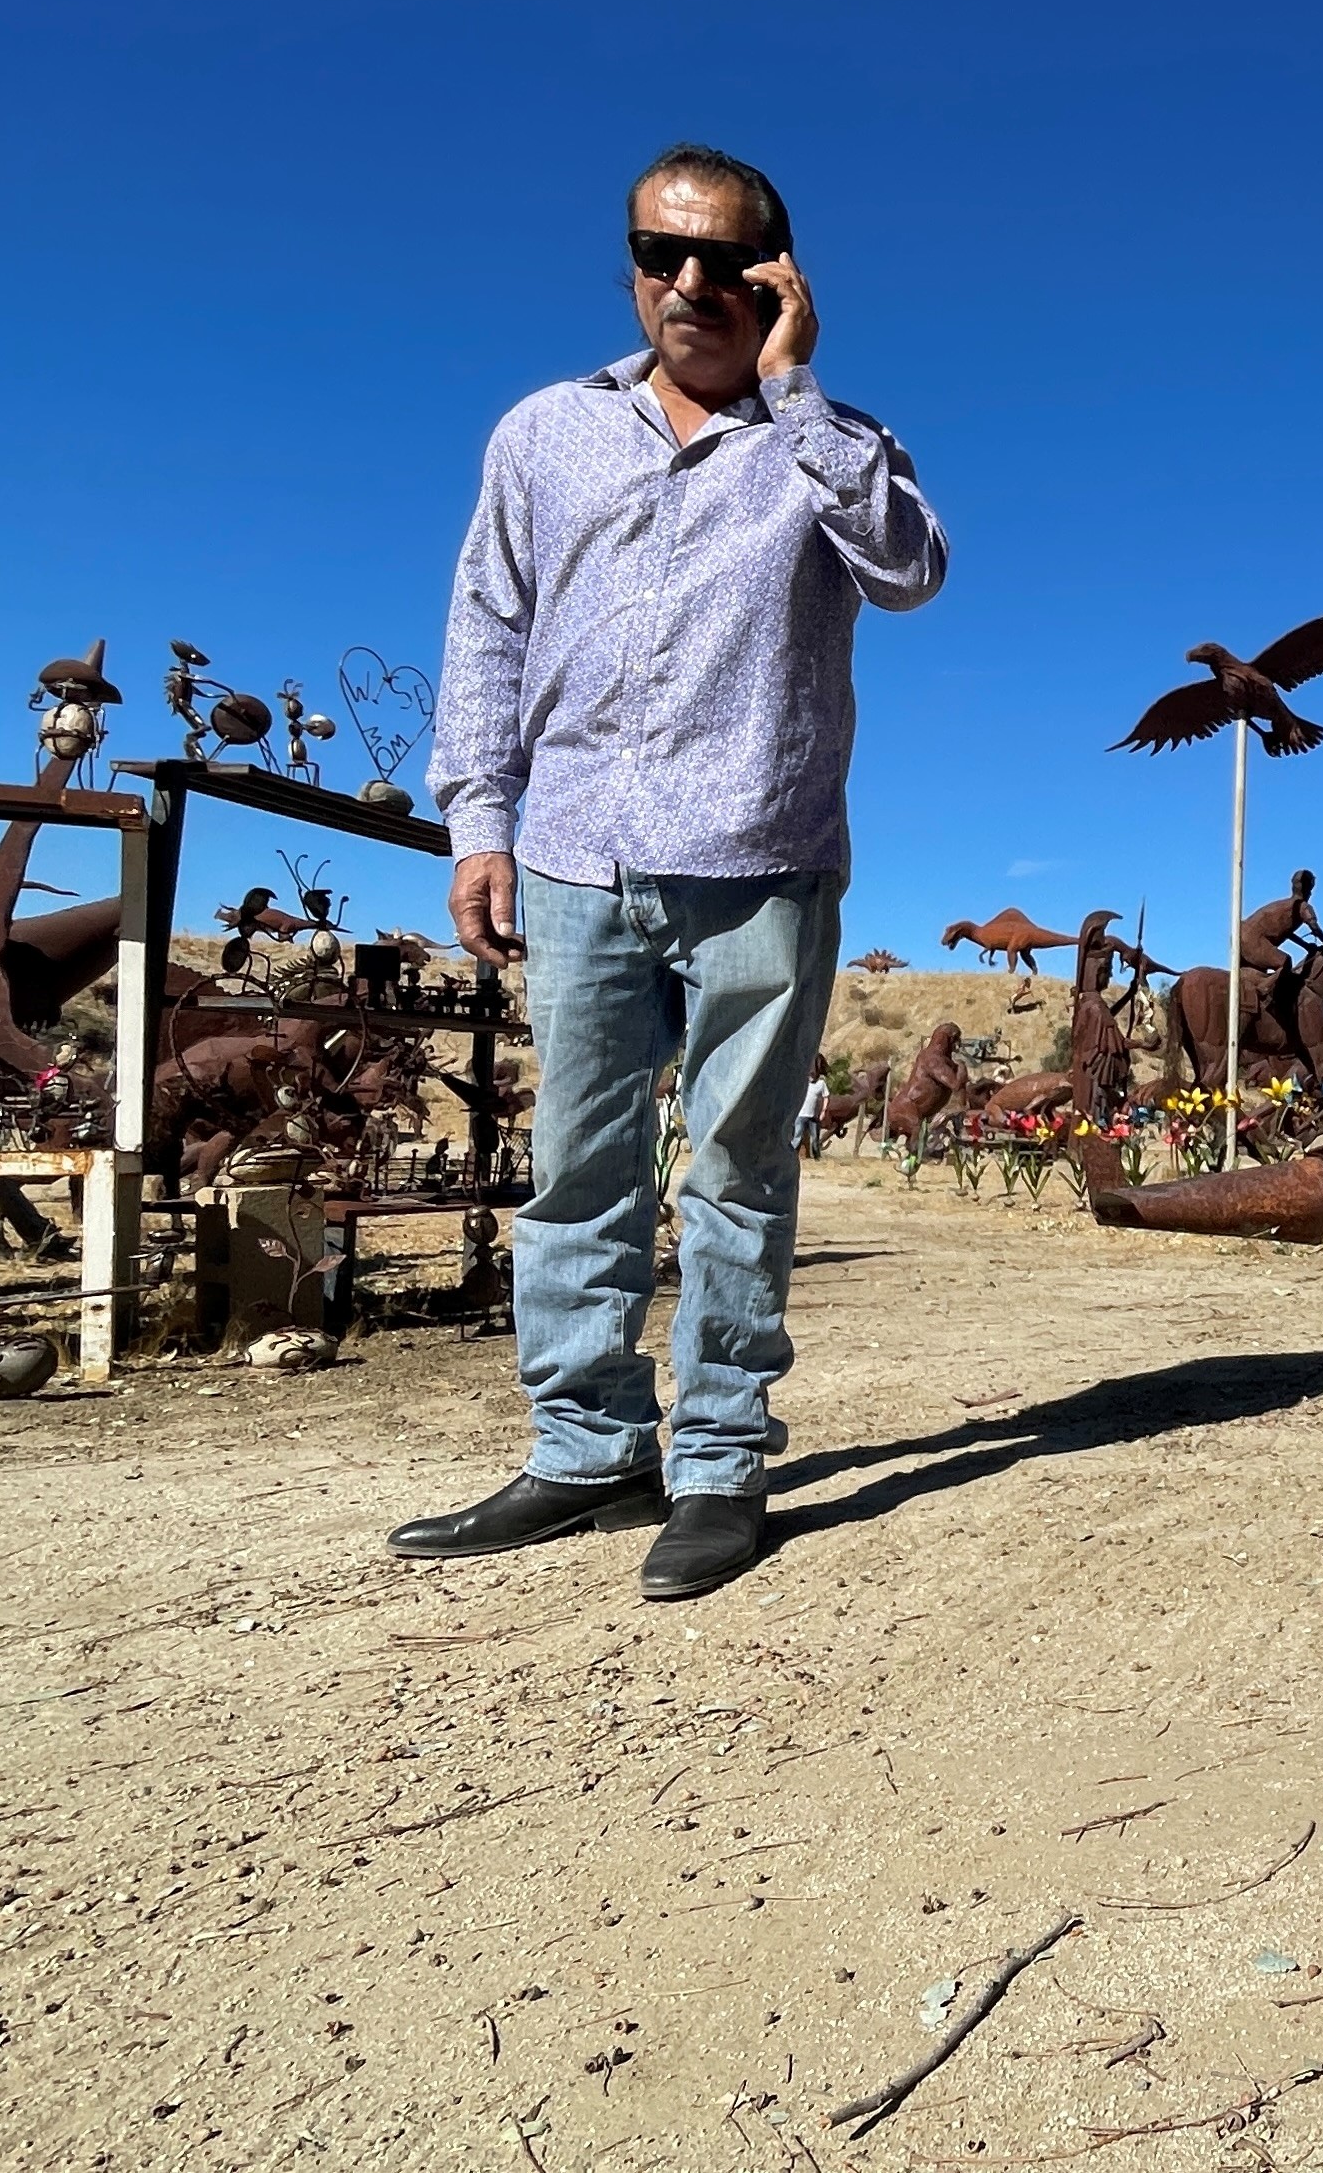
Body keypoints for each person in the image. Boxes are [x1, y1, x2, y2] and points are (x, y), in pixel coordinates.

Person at [390, 143, 945, 1600]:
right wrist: (478, 823)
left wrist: (803, 393)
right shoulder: (541, 436)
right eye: (660, 252)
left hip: (760, 860)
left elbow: (910, 570)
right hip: (575, 857)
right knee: (577, 1174)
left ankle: (717, 1466)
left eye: (727, 262)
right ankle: (583, 1451)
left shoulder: (831, 444)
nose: (688, 284)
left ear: (779, 278)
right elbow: (486, 630)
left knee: (739, 1175)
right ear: (631, 264)